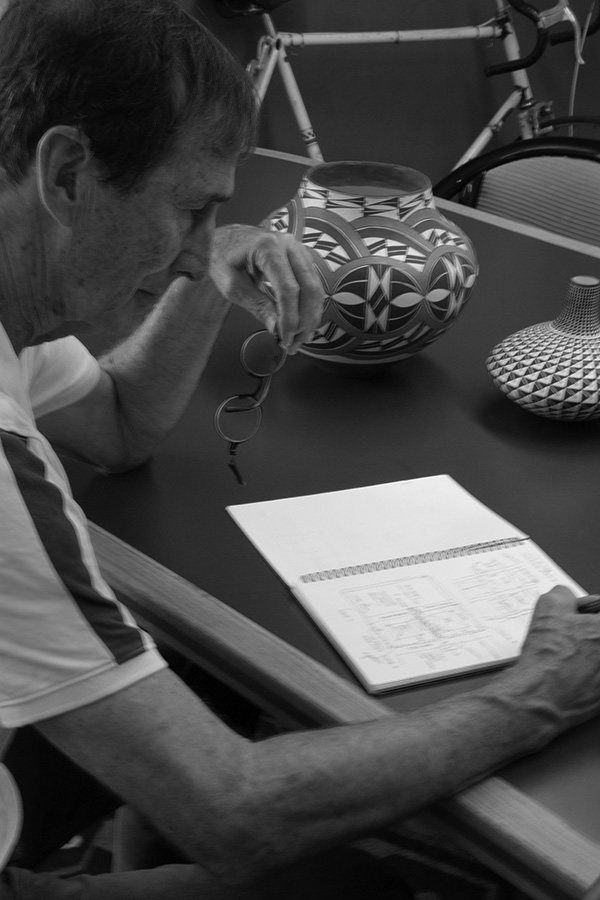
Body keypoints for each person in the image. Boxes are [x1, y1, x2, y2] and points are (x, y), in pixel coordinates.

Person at [1, 0, 600, 897]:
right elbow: (233, 810)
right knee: (374, 887)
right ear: (69, 173)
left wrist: (213, 267)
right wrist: (541, 691)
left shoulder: (20, 293)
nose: (203, 256)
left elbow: (119, 424)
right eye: (193, 210)